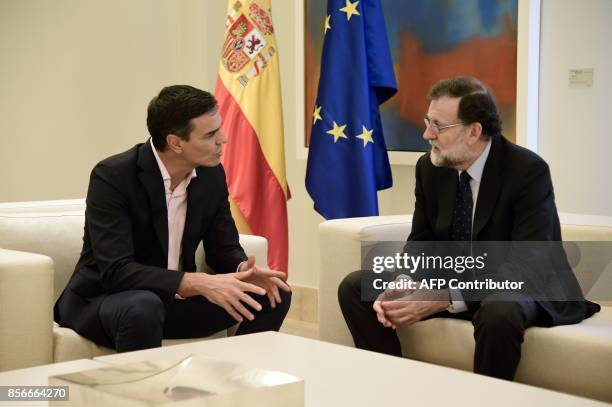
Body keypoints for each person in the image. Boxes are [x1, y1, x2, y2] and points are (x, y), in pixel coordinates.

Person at [338, 76, 599, 380]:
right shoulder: (431, 168)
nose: (426, 134)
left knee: (499, 310)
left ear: (474, 131)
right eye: (427, 121)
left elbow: (527, 267)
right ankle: (393, 387)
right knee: (357, 287)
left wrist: (444, 296)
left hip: (520, 286)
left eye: (438, 126)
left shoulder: (527, 171)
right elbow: (422, 241)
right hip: (458, 278)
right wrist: (406, 280)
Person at [54, 85, 291, 352]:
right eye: (210, 134)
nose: (223, 140)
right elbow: (116, 271)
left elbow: (222, 247)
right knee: (143, 307)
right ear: (175, 142)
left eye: (219, 129)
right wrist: (195, 282)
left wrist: (241, 271)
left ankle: (234, 382)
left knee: (273, 293)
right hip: (109, 301)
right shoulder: (113, 176)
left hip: (173, 304)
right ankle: (143, 394)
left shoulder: (210, 175)